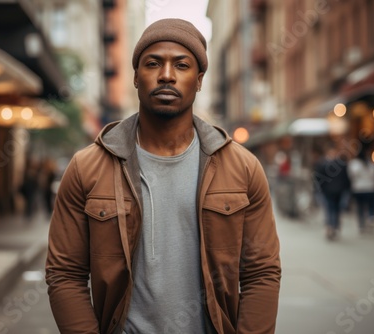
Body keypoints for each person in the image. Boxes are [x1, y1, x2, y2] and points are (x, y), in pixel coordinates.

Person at [45, 18, 281, 334]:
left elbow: (261, 273)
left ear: (198, 81)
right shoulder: (87, 166)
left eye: (181, 66)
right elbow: (65, 273)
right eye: (153, 63)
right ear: (135, 77)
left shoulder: (243, 168)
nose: (166, 75)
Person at [313, 144, 350, 240]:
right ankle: (332, 226)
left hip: (334, 191)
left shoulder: (336, 164)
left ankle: (332, 225)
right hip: (330, 191)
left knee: (334, 209)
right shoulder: (331, 164)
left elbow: (345, 178)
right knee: (331, 208)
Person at [347, 145, 374, 233]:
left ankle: (361, 225)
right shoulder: (372, 164)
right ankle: (371, 217)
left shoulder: (354, 164)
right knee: (371, 206)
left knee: (360, 207)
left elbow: (351, 176)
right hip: (370, 188)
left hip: (358, 189)